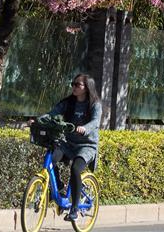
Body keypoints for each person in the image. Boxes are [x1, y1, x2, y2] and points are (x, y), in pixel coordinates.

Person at [35, 74, 102, 222]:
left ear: (87, 88)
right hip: (68, 143)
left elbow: (96, 122)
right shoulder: (68, 102)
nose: (74, 87)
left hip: (86, 145)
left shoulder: (94, 104)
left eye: (77, 85)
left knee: (75, 169)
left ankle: (75, 208)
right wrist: (37, 120)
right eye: (73, 84)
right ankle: (58, 186)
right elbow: (52, 114)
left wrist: (85, 128)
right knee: (51, 159)